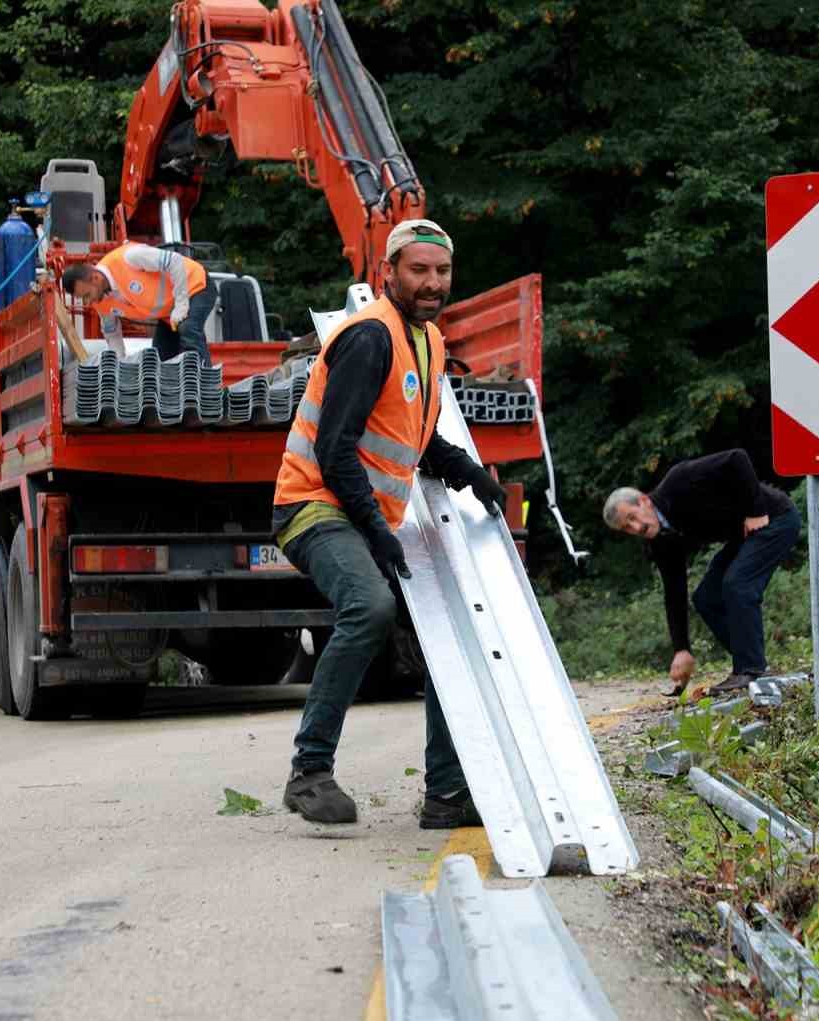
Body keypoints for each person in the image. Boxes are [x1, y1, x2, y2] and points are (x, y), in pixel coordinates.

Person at [271, 219, 506, 827]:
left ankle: (447, 796)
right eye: (418, 270)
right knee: (370, 607)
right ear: (389, 273)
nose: (432, 282)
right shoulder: (370, 337)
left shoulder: (425, 340)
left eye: (442, 271)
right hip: (313, 506)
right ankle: (310, 772)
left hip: (364, 515)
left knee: (445, 637)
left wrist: (469, 473)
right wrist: (377, 530)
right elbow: (335, 448)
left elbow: (415, 439)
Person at [603, 449, 800, 696]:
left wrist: (756, 510)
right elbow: (674, 592)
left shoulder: (679, 481)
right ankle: (749, 664)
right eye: (627, 528)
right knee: (706, 597)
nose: (636, 527)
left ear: (644, 500)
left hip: (774, 518)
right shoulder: (660, 540)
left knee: (736, 583)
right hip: (745, 534)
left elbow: (737, 458)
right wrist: (681, 649)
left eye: (632, 517)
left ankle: (751, 669)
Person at [62, 242, 216, 362]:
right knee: (160, 356)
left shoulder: (129, 257)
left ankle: (207, 391)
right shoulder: (100, 301)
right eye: (84, 298)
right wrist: (119, 363)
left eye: (88, 294)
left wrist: (182, 304)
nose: (89, 302)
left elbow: (175, 261)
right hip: (170, 311)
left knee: (188, 329)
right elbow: (111, 332)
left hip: (195, 286)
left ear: (96, 278)